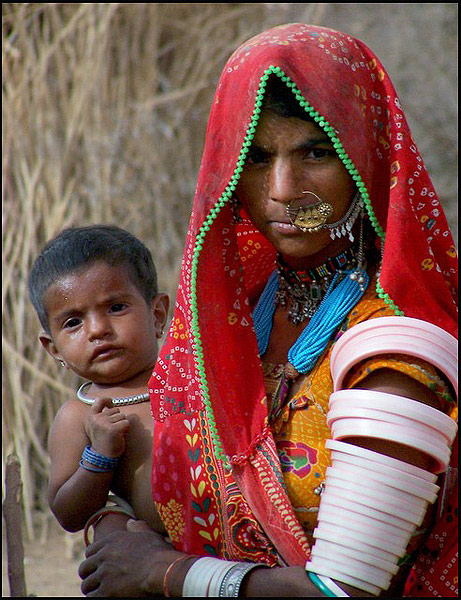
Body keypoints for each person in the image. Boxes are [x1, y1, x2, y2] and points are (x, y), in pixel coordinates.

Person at [78, 24, 458, 597]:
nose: (283, 188)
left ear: (367, 160)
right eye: (255, 158)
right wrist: (110, 520)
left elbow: (343, 591)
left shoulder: (399, 347)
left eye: (316, 151)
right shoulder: (227, 324)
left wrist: (162, 572)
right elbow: (164, 489)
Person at [28, 225, 169, 540]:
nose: (97, 329)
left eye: (116, 308)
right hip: (156, 564)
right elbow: (68, 513)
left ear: (157, 314)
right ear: (54, 349)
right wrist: (101, 455)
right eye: (73, 322)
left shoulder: (192, 380)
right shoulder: (78, 417)